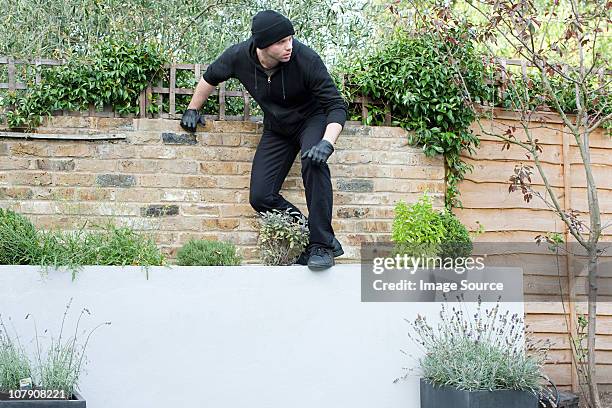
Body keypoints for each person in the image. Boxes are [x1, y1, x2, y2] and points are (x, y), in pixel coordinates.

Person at [181, 9, 347, 270]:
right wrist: (193, 108)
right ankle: (316, 233)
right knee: (260, 196)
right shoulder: (238, 56)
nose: (289, 46)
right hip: (277, 128)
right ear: (262, 45)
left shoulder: (306, 59)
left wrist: (327, 142)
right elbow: (210, 78)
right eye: (281, 42)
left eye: (291, 39)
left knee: (313, 164)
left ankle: (321, 246)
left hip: (311, 120)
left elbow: (336, 106)